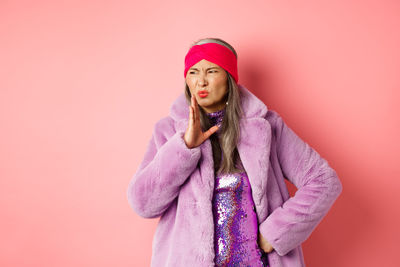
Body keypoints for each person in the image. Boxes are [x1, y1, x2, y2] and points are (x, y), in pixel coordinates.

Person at [127, 37, 343, 267]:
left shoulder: (266, 126)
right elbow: (143, 203)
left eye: (211, 71)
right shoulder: (168, 131)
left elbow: (323, 181)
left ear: (229, 77)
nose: (201, 82)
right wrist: (185, 147)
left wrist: (277, 231)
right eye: (193, 72)